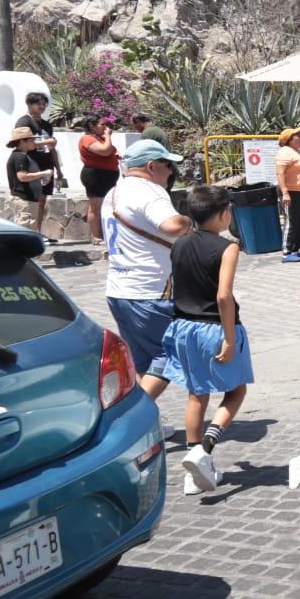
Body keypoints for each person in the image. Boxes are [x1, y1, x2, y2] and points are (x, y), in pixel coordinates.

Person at [161, 186, 253, 496]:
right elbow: (224, 296)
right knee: (236, 390)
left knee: (196, 395)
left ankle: (193, 468)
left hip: (184, 326)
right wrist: (230, 339)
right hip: (214, 327)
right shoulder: (228, 248)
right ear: (224, 213)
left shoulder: (179, 243)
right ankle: (206, 449)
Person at [101, 139, 191, 439]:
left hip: (120, 288)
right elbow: (173, 226)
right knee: (171, 355)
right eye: (167, 165)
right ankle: (130, 420)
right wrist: (189, 221)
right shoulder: (148, 191)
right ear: (152, 166)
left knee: (143, 361)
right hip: (150, 289)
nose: (171, 172)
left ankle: (147, 424)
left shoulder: (114, 193)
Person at [14, 92, 62, 242]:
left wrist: (58, 169)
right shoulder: (24, 122)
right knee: (31, 202)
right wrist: (47, 142)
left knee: (42, 202)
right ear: (29, 104)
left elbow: (52, 149)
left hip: (46, 166)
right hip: (31, 166)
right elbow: (22, 143)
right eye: (38, 104)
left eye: (44, 104)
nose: (42, 107)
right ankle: (28, 235)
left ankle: (38, 233)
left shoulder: (47, 125)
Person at [77, 115, 120, 243]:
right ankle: (97, 236)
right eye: (102, 125)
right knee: (96, 207)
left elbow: (111, 150)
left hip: (108, 176)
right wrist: (108, 136)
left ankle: (107, 234)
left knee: (107, 206)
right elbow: (105, 150)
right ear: (92, 126)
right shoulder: (87, 139)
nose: (106, 128)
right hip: (96, 176)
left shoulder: (100, 138)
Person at [274, 128, 300, 263]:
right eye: (297, 135)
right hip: (291, 192)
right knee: (291, 221)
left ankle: (295, 250)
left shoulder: (295, 152)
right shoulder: (284, 152)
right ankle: (286, 252)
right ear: (289, 140)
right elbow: (280, 174)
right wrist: (285, 192)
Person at [4, 126, 52, 231]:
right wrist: (43, 173)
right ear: (22, 141)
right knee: (25, 231)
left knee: (29, 231)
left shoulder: (23, 156)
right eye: (31, 140)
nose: (34, 142)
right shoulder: (19, 156)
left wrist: (42, 179)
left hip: (29, 200)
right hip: (24, 200)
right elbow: (22, 177)